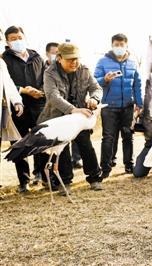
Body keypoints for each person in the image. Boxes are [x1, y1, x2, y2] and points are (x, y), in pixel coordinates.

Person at [37, 43, 103, 195]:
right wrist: (72, 110)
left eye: (76, 59)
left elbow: (96, 88)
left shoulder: (84, 70)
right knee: (62, 150)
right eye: (69, 59)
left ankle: (94, 178)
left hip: (80, 117)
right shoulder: (49, 73)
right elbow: (53, 96)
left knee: (85, 145)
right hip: (57, 117)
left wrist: (94, 99)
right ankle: (64, 183)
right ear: (59, 58)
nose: (74, 62)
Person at [2, 26, 46, 191]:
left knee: (41, 140)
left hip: (39, 104)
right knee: (19, 143)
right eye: (13, 39)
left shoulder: (36, 56)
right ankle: (23, 181)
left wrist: (40, 91)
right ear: (7, 41)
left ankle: (41, 175)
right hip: (17, 107)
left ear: (24, 37)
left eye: (19, 37)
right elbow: (6, 84)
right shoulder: (4, 59)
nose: (17, 41)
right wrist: (23, 89)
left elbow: (45, 76)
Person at [94, 33, 142, 178]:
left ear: (126, 45)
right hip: (109, 106)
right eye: (116, 45)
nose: (119, 47)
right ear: (112, 45)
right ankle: (105, 167)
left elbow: (137, 85)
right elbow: (94, 82)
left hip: (127, 106)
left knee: (128, 136)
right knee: (108, 137)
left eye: (122, 45)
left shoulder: (133, 63)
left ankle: (129, 165)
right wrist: (105, 79)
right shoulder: (102, 61)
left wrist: (139, 104)